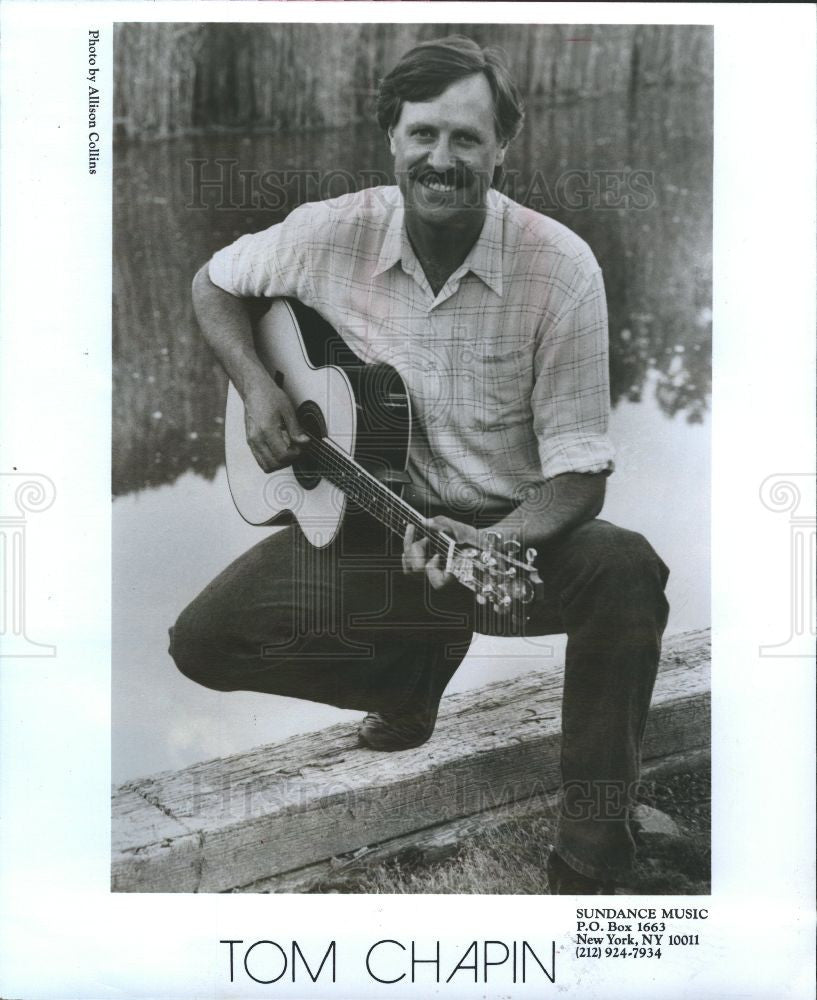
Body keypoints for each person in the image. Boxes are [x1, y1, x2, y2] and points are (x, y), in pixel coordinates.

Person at [171, 35, 670, 893]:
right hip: (370, 525)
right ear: (391, 140)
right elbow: (213, 285)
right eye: (423, 136)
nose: (442, 160)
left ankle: (592, 856)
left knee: (626, 572)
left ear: (502, 147)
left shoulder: (560, 271)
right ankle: (408, 673)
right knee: (205, 642)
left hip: (509, 541)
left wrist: (488, 545)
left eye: (467, 139)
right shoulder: (332, 232)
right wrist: (257, 387)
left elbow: (580, 474)